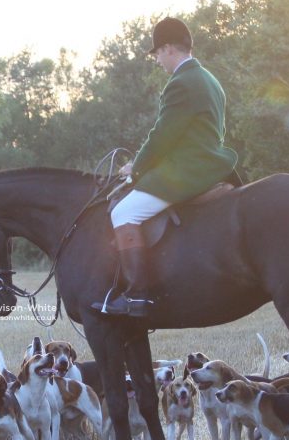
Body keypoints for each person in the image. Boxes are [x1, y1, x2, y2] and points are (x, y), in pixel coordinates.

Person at [94, 16, 240, 318]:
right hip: (210, 164)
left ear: (169, 48)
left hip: (187, 172)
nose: (158, 61)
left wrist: (136, 168)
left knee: (123, 213)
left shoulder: (181, 83)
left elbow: (162, 136)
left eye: (158, 54)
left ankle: (137, 297)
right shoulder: (209, 80)